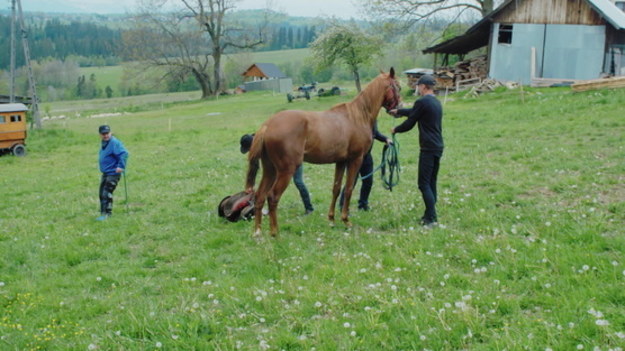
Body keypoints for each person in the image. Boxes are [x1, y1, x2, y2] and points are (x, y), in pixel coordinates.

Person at [389, 74, 443, 228]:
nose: (417, 88)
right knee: (431, 181)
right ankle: (429, 214)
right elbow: (415, 111)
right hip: (438, 146)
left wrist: (396, 129)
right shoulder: (435, 101)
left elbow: (410, 123)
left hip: (427, 148)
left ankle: (431, 218)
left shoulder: (422, 101)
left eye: (418, 86)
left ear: (424, 86)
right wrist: (398, 111)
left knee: (423, 184)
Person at [240, 133, 314, 214]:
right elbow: (254, 166)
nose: (250, 152)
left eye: (250, 149)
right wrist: (250, 185)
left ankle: (309, 208)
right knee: (271, 184)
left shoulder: (269, 140)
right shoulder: (260, 143)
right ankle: (269, 209)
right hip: (278, 161)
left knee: (298, 181)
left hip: (293, 157)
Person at [340, 122, 392, 211]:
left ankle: (363, 204)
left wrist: (386, 139)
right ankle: (343, 205)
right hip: (354, 157)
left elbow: (375, 133)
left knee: (368, 182)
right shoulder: (357, 119)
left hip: (367, 156)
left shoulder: (372, 119)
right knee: (352, 182)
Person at [97, 125, 129, 221]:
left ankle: (107, 214)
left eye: (107, 133)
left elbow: (124, 153)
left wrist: (121, 166)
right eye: (103, 134)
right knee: (101, 193)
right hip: (106, 173)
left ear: (110, 132)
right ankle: (103, 213)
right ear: (100, 135)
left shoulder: (114, 142)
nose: (106, 135)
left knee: (107, 193)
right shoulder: (104, 143)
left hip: (113, 173)